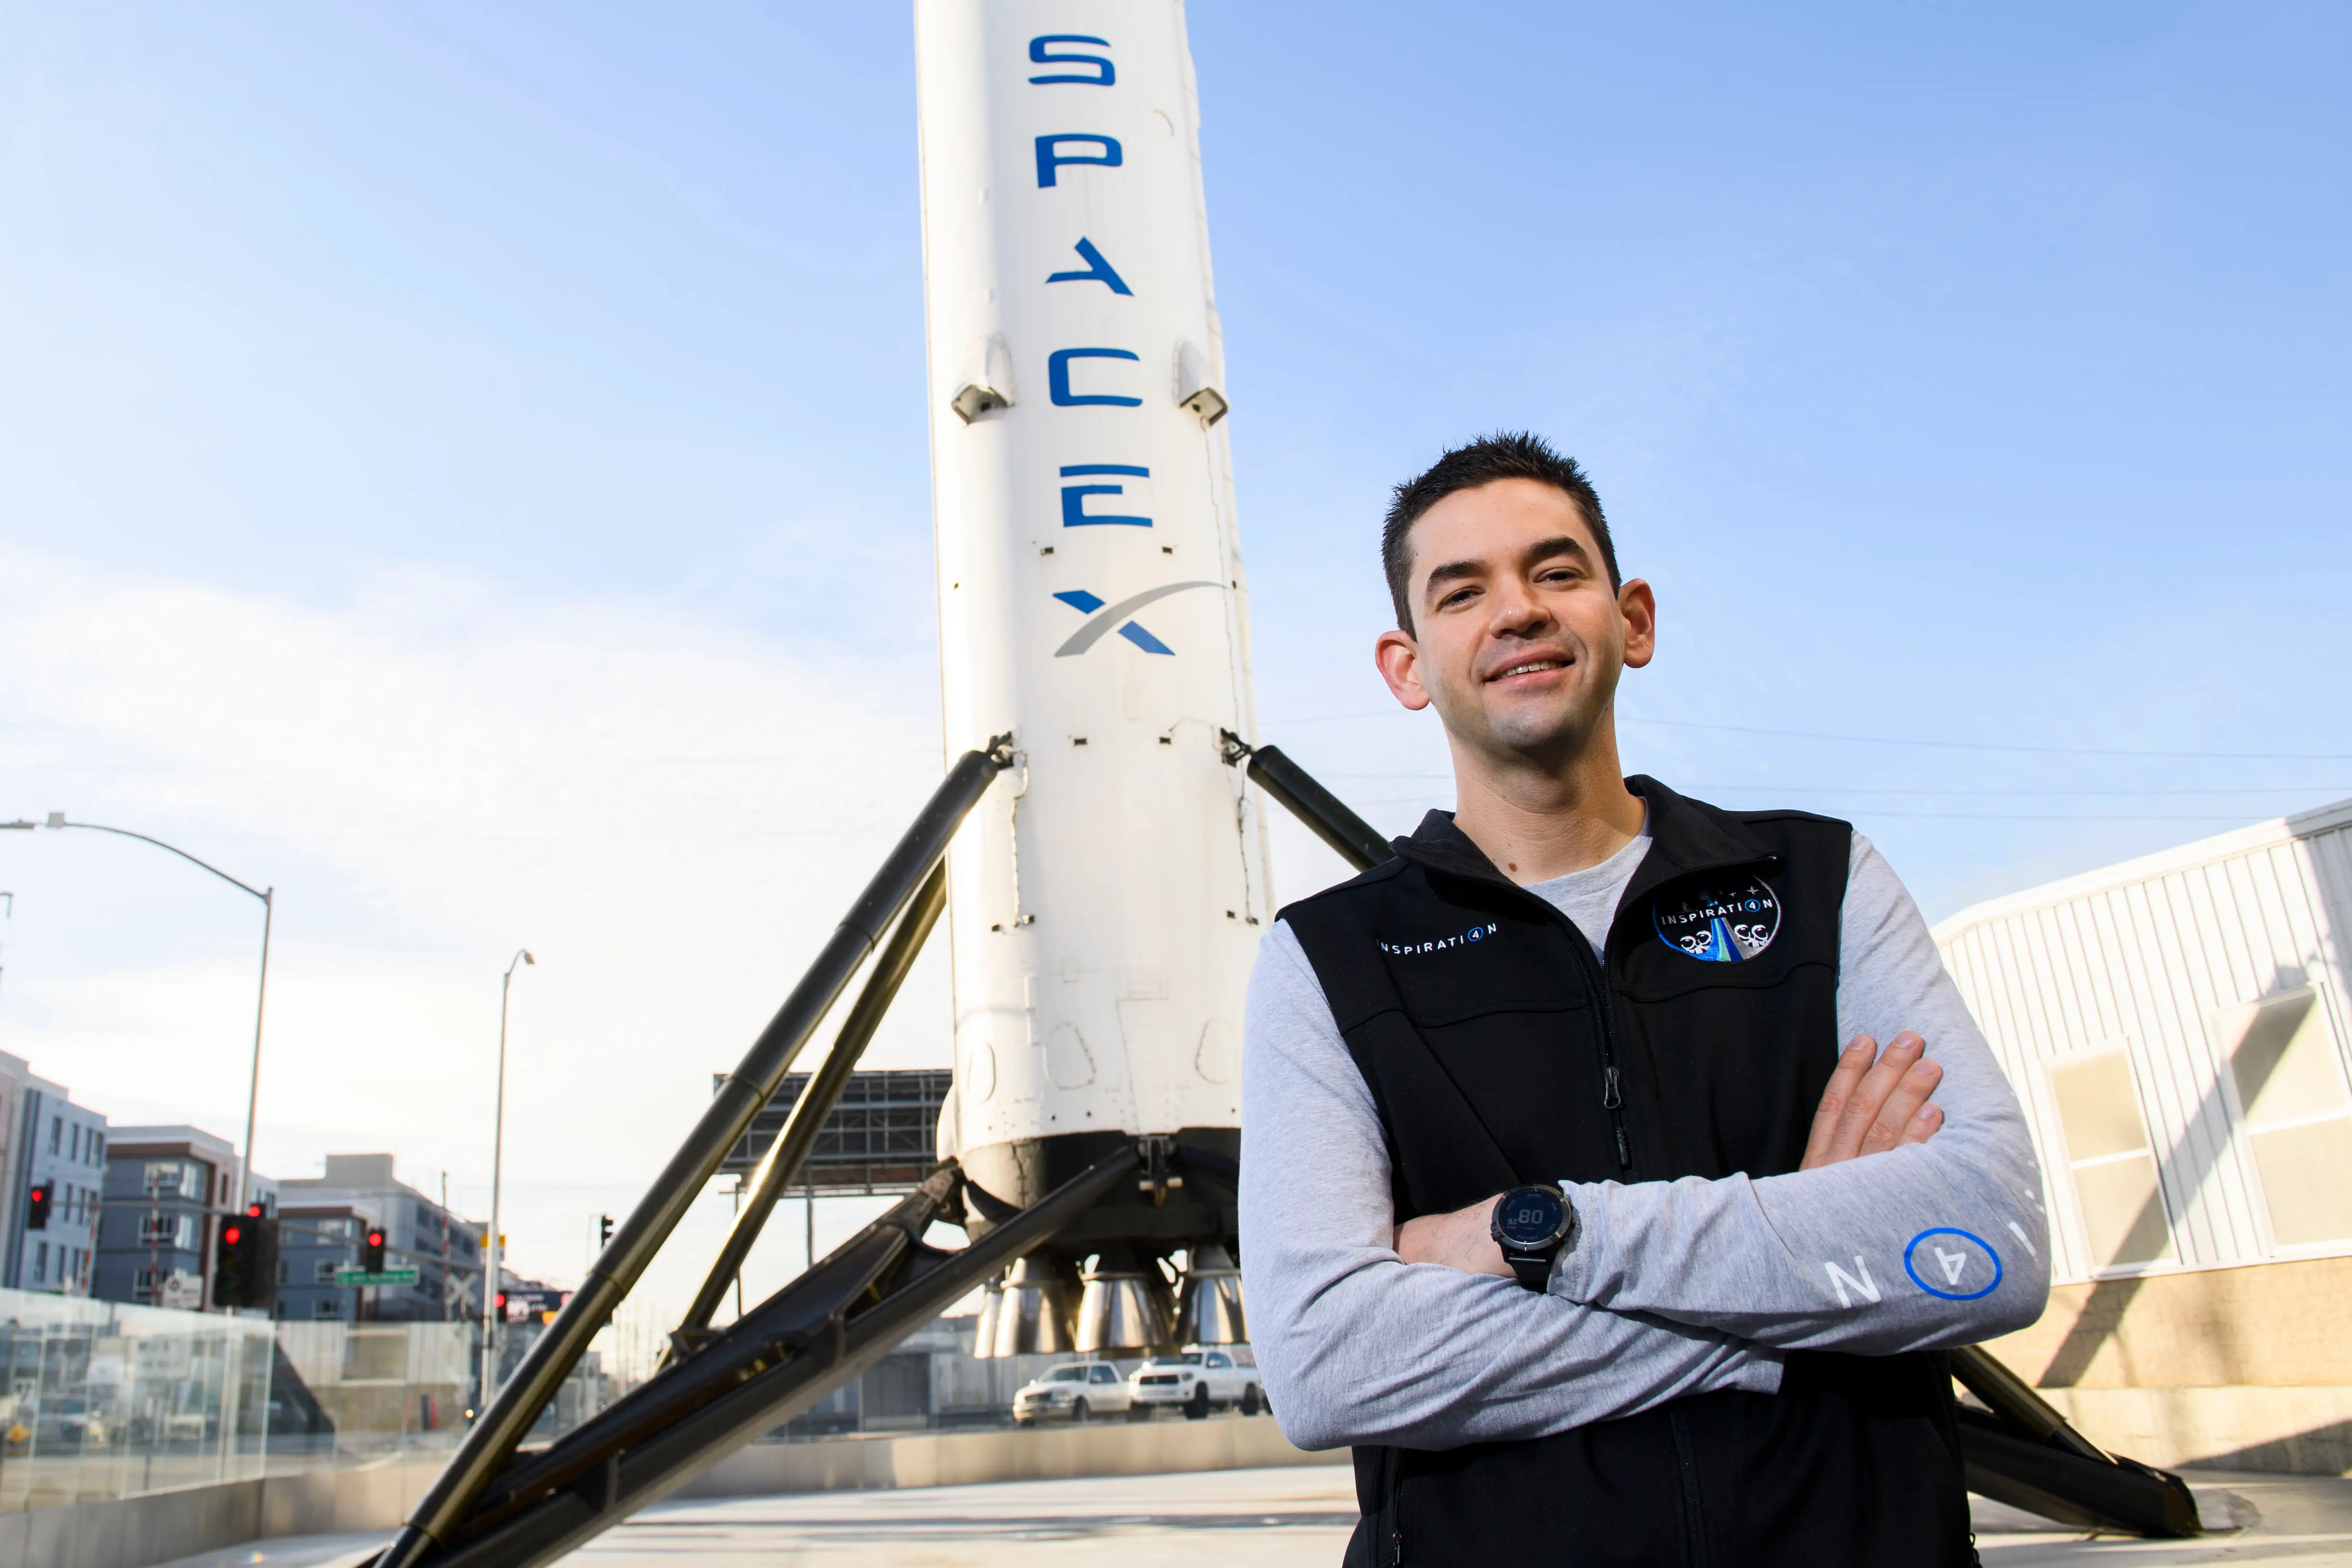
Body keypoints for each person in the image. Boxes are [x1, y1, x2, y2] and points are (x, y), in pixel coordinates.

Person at [1238, 433, 2050, 1566]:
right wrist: (1811, 1282)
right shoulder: (1329, 956)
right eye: (1462, 592)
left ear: (1633, 622)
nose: (1517, 610)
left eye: (1555, 571)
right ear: (1406, 667)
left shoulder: (1818, 882)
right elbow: (1328, 1363)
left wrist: (1541, 1235)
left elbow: (1988, 1241)